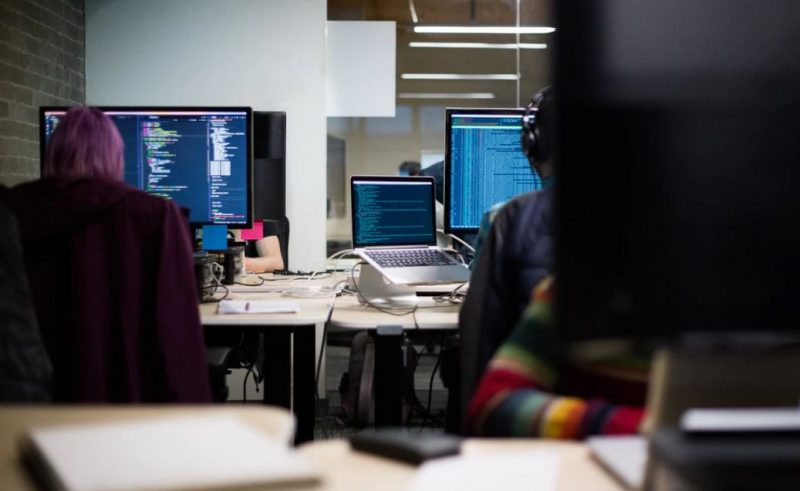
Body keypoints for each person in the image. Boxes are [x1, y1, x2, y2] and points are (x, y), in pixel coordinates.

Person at [0, 106, 211, 402]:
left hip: (28, 413)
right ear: (117, 157)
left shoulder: (10, 211)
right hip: (123, 414)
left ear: (52, 154)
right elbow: (177, 341)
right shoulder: (157, 216)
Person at [457, 87, 557, 424]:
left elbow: (479, 312)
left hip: (525, 408)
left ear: (533, 147)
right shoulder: (658, 224)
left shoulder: (509, 218)